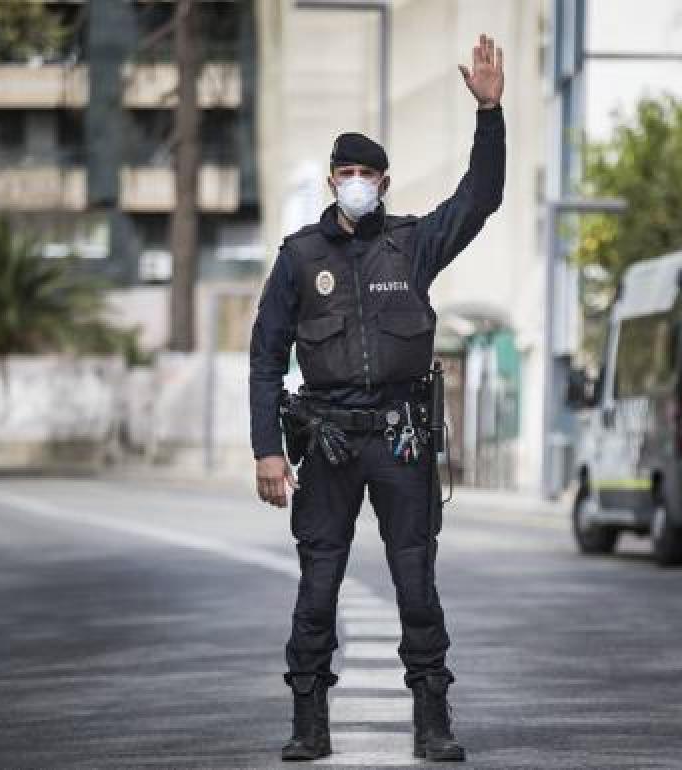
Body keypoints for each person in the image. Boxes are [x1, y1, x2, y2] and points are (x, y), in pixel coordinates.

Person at [248, 34, 505, 763]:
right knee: (318, 585)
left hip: (401, 442)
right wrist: (269, 448)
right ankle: (309, 721)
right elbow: (266, 356)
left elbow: (481, 197)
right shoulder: (300, 258)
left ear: (385, 183)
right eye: (347, 170)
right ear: (333, 180)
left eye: (369, 172)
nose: (357, 180)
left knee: (415, 582)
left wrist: (489, 115)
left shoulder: (414, 244)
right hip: (326, 444)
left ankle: (432, 720)